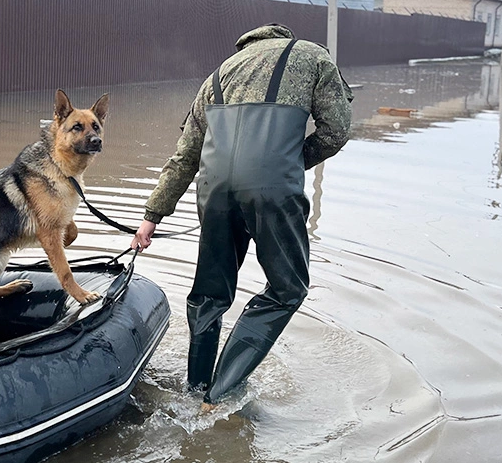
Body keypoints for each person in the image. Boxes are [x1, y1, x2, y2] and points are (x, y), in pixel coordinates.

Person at [131, 24, 353, 409]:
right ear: (282, 38)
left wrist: (151, 217)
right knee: (287, 290)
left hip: (214, 190)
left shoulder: (217, 76)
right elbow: (336, 130)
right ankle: (219, 396)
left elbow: (185, 157)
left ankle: (195, 390)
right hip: (272, 188)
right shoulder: (313, 57)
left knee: (209, 293)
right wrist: (289, 161)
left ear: (248, 45)